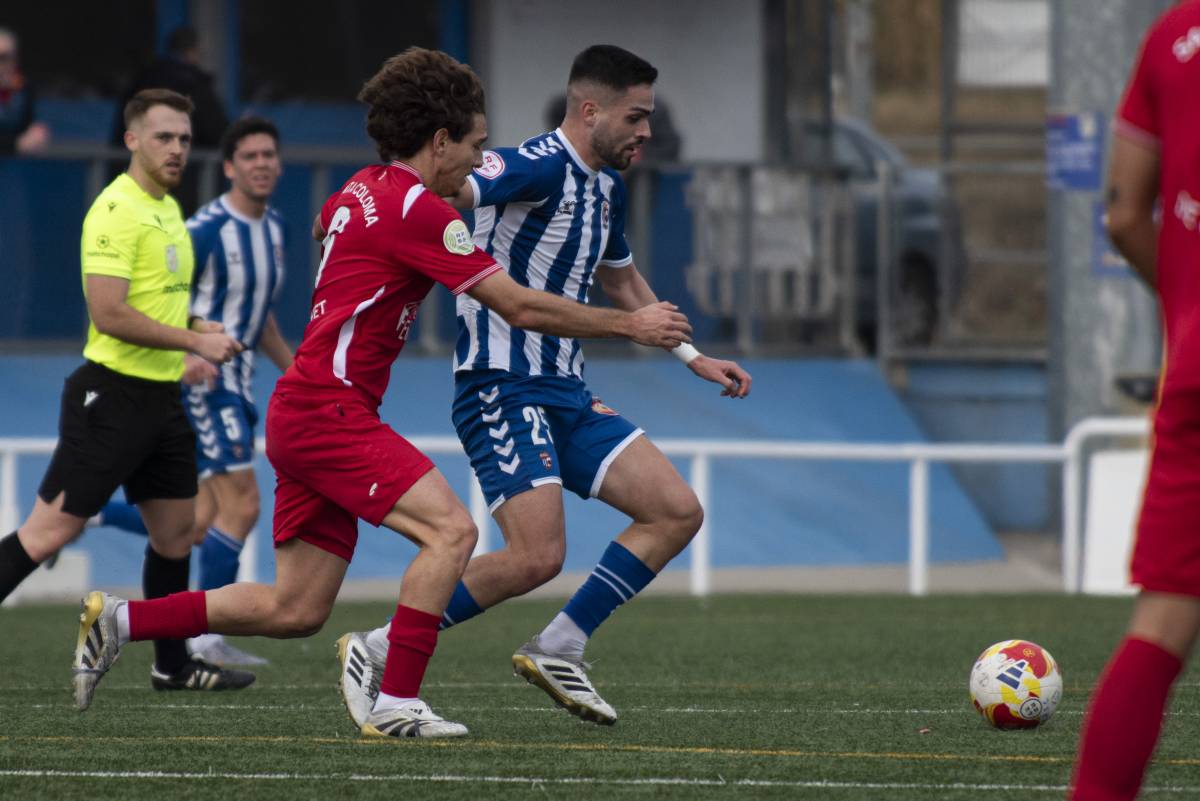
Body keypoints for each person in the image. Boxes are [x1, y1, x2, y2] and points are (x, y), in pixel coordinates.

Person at [70, 47, 691, 738]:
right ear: (440, 141)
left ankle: (123, 618)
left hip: (307, 408)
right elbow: (518, 305)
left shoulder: (362, 187)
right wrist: (628, 322)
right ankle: (396, 698)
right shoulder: (422, 213)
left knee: (294, 609)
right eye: (476, 146)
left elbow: (328, 220)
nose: (479, 163)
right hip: (329, 409)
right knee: (451, 529)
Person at [336, 44, 750, 730]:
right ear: (590, 111)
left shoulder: (609, 187)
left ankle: (560, 644)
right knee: (537, 555)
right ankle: (379, 648)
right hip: (501, 383)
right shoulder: (528, 163)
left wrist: (692, 355)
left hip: (565, 388)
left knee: (676, 510)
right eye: (636, 116)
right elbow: (447, 184)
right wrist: (363, 205)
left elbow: (622, 282)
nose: (648, 130)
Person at [0, 88, 252, 696]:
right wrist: (192, 345)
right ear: (132, 140)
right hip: (108, 400)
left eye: (185, 139)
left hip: (161, 403)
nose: (176, 149)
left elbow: (152, 303)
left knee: (176, 533)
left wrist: (193, 328)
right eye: (163, 137)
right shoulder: (115, 210)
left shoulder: (167, 209)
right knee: (48, 533)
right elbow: (109, 314)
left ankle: (171, 665)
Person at [93, 116, 294, 667]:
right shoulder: (204, 229)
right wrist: (184, 353)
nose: (261, 164)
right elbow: (155, 298)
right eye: (249, 156)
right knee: (244, 504)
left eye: (268, 155)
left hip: (240, 382)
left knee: (201, 522)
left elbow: (260, 317)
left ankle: (98, 512)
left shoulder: (274, 228)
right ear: (228, 168)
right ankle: (203, 638)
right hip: (207, 384)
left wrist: (298, 370)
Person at [1070, 2, 1200, 799]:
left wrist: (1186, 304)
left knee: (1161, 626)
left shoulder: (1172, 36)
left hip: (1196, 367)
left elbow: (1123, 212)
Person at [111, 27, 229, 215]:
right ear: (193, 51)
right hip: (185, 185)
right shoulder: (192, 83)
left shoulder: (142, 79)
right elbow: (215, 131)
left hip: (135, 183)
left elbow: (121, 130)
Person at [0, 27, 50, 155]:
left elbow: (32, 128)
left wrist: (37, 133)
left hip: (15, 170)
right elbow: (20, 142)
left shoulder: (24, 88)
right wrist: (15, 144)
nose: (2, 64)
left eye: (5, 58)